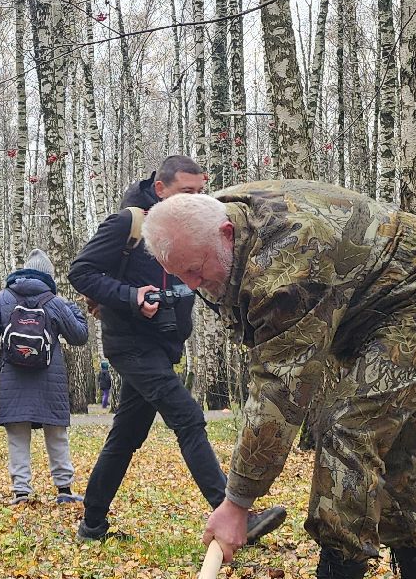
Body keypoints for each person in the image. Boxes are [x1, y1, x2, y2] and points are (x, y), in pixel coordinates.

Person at [144, 184, 416, 579]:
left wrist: (237, 501)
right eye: (182, 277)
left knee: (348, 429)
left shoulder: (287, 264)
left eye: (198, 270)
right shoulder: (208, 220)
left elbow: (279, 395)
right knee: (390, 450)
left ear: (226, 234)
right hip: (367, 306)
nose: (195, 285)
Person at [67, 155, 286, 544]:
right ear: (160, 189)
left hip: (165, 344)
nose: (197, 199)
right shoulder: (128, 224)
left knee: (125, 437)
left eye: (202, 191)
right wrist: (130, 295)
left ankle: (92, 524)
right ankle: (233, 513)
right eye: (187, 192)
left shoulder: (199, 226)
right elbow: (81, 272)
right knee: (188, 416)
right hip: (131, 345)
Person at [0, 249, 88, 504]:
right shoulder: (54, 301)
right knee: (56, 434)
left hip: (13, 378)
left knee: (17, 436)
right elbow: (80, 335)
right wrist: (72, 307)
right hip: (50, 380)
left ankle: (21, 491)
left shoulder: (3, 299)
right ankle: (64, 490)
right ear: (48, 276)